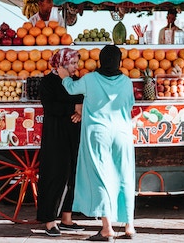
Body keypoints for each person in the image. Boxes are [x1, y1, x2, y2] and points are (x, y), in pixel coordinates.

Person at [58, 44, 136, 242]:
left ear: (101, 60)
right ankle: (129, 226)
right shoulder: (126, 81)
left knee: (101, 177)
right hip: (122, 134)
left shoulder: (90, 79)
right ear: (118, 61)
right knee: (125, 176)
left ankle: (107, 228)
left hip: (98, 134)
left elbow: (71, 89)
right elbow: (130, 104)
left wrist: (64, 76)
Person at [36, 48, 85, 237]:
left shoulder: (75, 82)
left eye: (76, 63)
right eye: (72, 63)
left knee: (73, 174)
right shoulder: (47, 82)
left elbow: (82, 100)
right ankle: (49, 221)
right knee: (55, 174)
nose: (76, 67)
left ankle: (66, 218)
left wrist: (79, 113)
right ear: (61, 64)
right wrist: (74, 108)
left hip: (73, 132)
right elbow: (50, 106)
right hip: (55, 134)